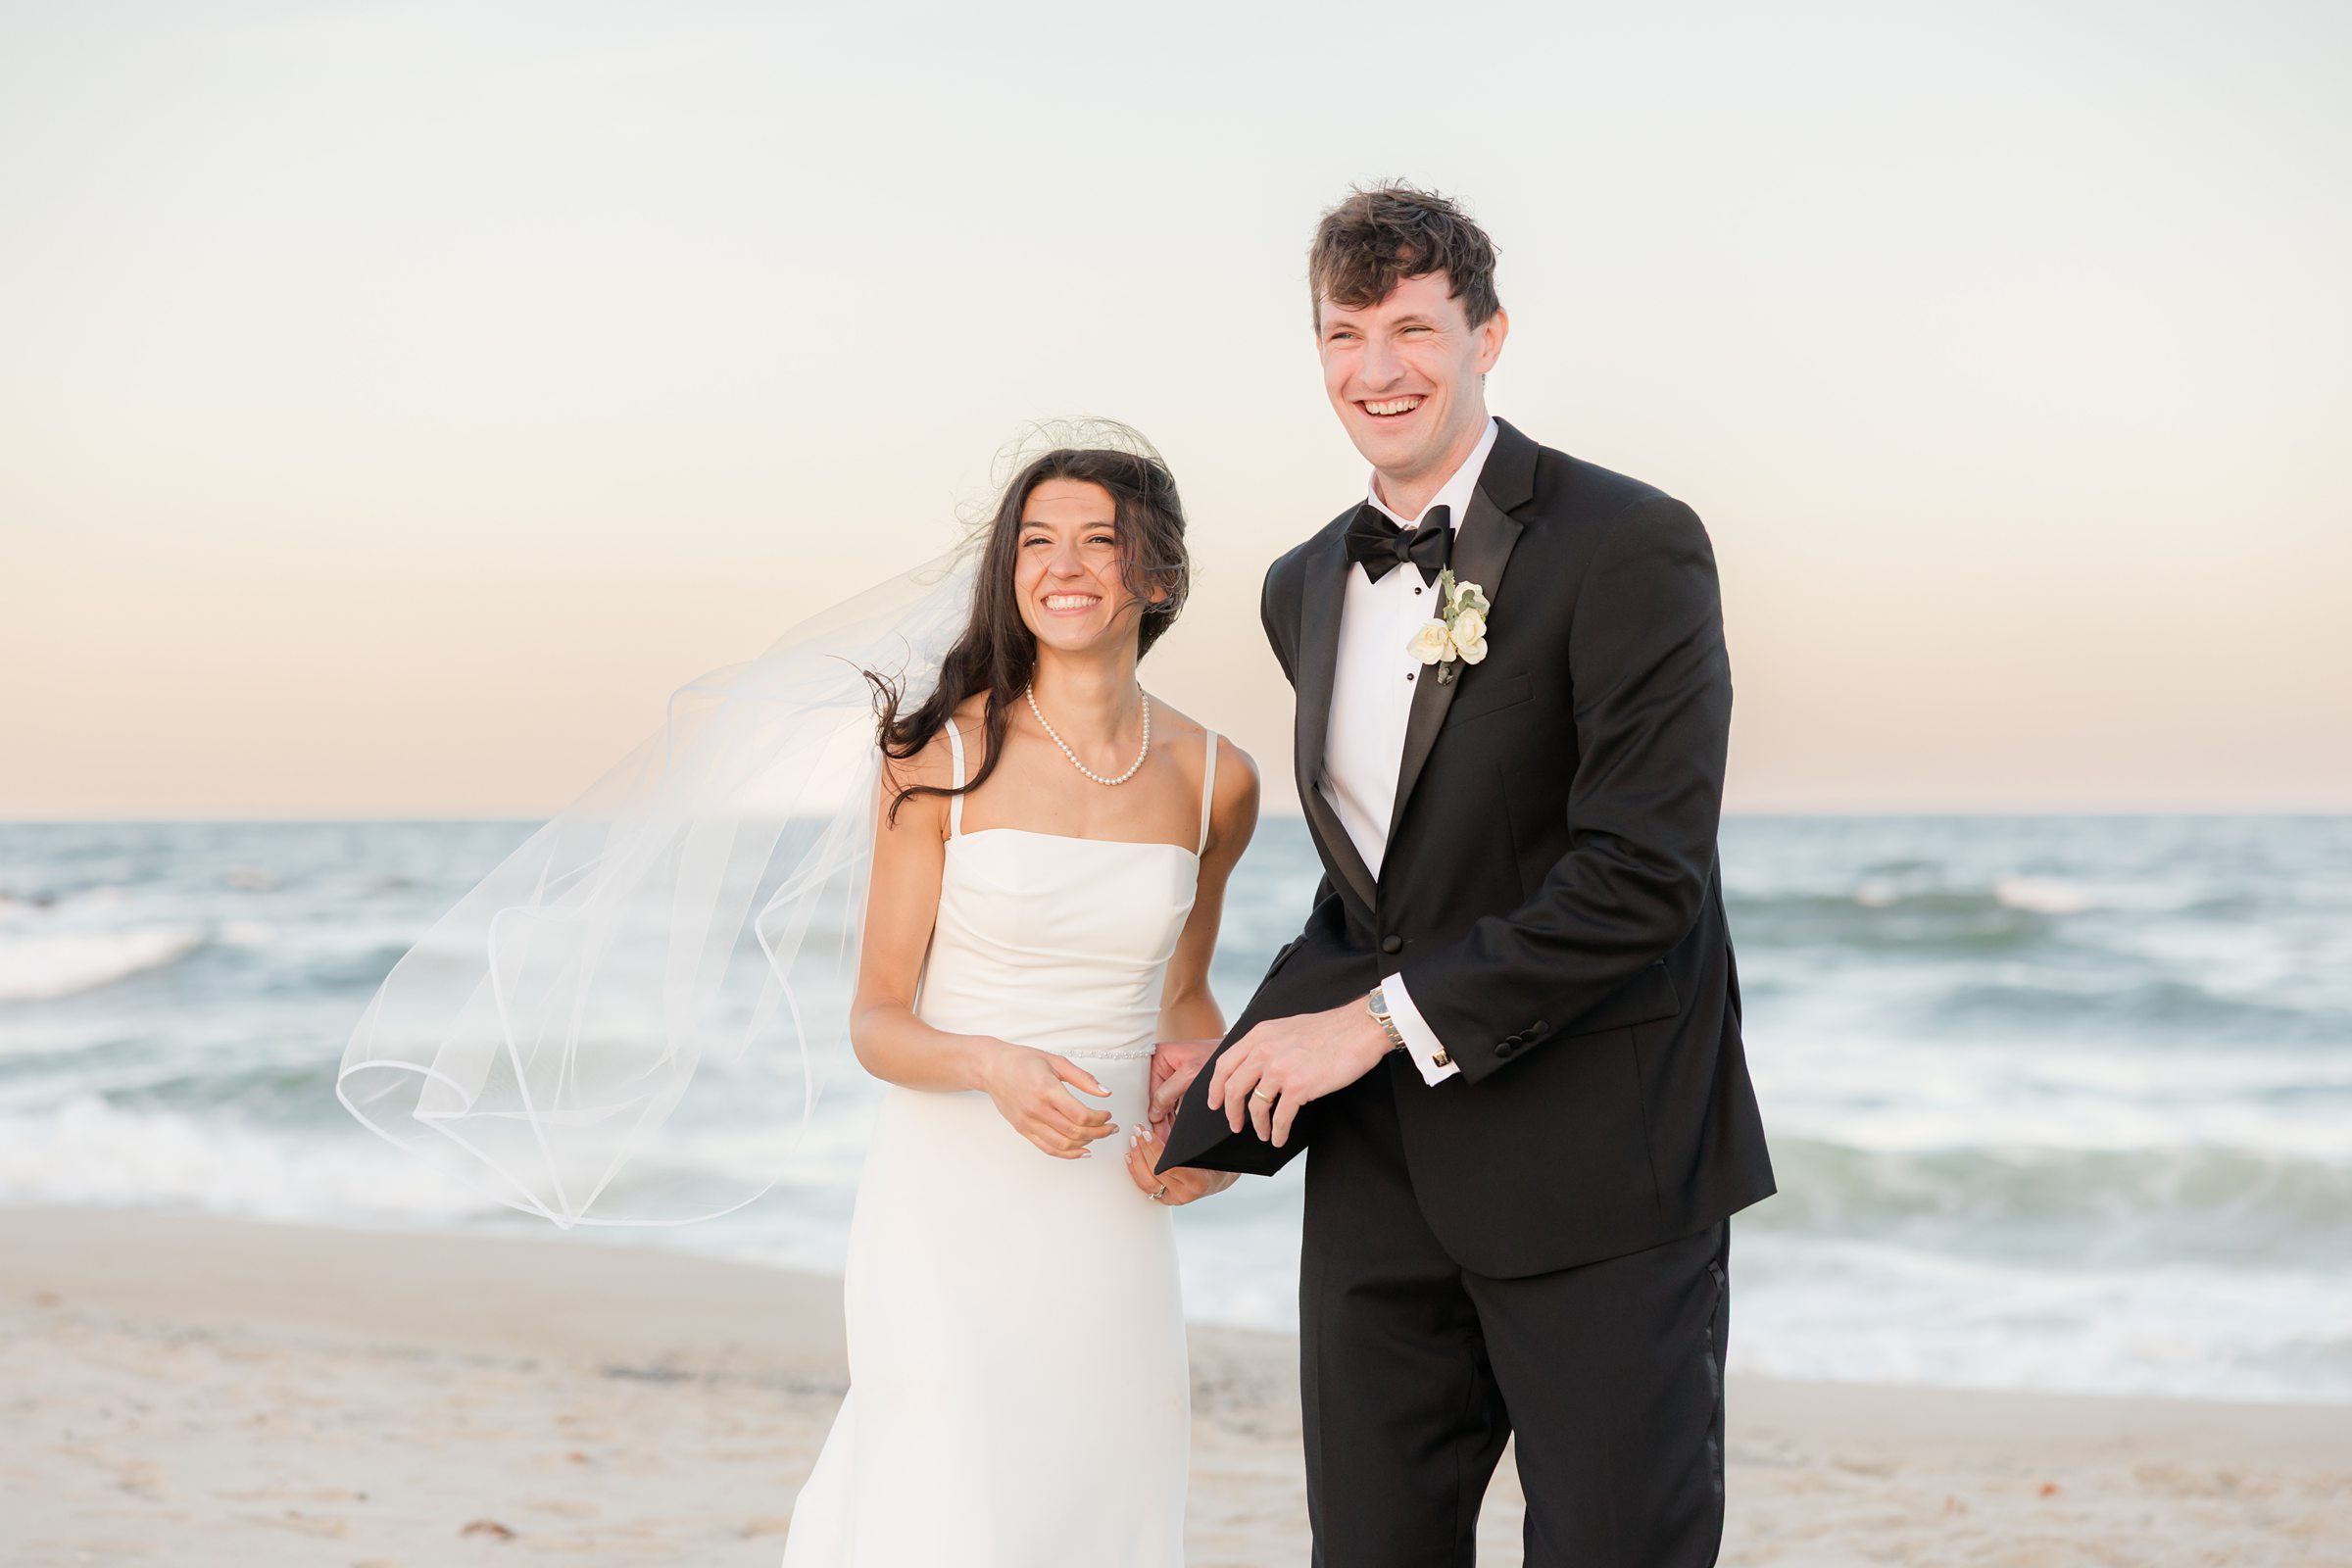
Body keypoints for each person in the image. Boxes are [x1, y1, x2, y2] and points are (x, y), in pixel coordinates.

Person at [1152, 183, 1776, 1567]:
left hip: (1603, 1170)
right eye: (1345, 333)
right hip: (1381, 1183)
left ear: (1489, 335)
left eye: (1414, 329)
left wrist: (1371, 1025)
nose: (1379, 370)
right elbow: (1373, 893)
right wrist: (1226, 1085)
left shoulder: (1633, 543)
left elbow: (1642, 875)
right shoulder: (1300, 582)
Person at [780, 438, 1258, 1566]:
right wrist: (994, 1064)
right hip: (946, 1202)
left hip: (1110, 1211)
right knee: (947, 1500)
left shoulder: (1215, 778)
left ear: (1161, 575)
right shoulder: (937, 755)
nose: (1066, 564)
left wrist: (1212, 1140)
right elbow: (878, 1018)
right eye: (1037, 540)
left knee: (1097, 1499)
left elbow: (1186, 996)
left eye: (1101, 538)